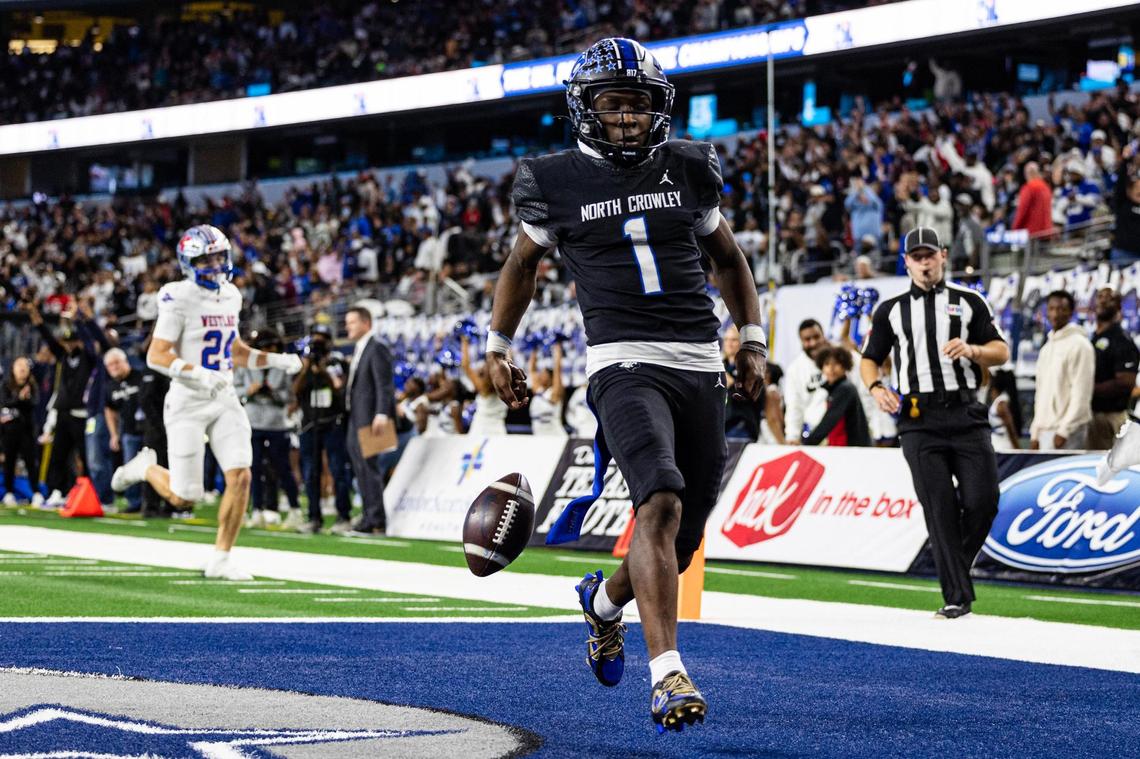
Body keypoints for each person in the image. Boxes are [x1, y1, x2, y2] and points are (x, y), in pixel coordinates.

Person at [487, 37, 765, 732]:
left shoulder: (690, 167)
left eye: (638, 104)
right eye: (612, 103)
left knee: (682, 536)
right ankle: (667, 673)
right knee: (660, 497)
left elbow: (728, 258)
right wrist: (498, 344)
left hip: (700, 361)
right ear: (585, 108)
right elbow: (522, 265)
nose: (626, 117)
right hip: (621, 360)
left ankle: (604, 604)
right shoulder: (552, 179)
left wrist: (752, 336)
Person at [110, 224, 302, 580]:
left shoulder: (231, 295)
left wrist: (275, 360)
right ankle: (145, 468)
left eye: (218, 256)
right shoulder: (177, 295)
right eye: (205, 258)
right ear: (188, 262)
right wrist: (199, 374)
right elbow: (157, 354)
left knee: (241, 474)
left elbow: (233, 351)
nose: (214, 264)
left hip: (224, 396)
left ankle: (222, 557)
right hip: (187, 400)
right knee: (185, 497)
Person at [861, 227, 1008, 619]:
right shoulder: (891, 310)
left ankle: (953, 564)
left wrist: (973, 349)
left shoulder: (969, 301)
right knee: (938, 506)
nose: (925, 262)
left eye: (931, 255)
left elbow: (1001, 351)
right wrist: (876, 386)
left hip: (965, 414)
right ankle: (957, 597)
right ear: (906, 262)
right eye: (917, 256)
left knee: (984, 500)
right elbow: (869, 357)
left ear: (944, 256)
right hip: (918, 419)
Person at [23, 301, 100, 507]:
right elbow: (48, 337)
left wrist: (80, 322)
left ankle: (89, 491)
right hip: (64, 413)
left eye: (73, 342)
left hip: (82, 414)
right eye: (67, 343)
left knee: (85, 456)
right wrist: (36, 317)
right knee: (58, 455)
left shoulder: (89, 358)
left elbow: (92, 343)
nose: (70, 345)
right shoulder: (63, 357)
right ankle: (58, 490)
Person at [234, 327, 301, 528]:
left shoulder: (281, 366)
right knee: (252, 468)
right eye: (265, 347)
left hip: (276, 424)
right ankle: (256, 510)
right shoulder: (246, 365)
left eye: (272, 347)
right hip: (252, 422)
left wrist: (273, 393)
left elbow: (289, 397)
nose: (269, 351)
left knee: (282, 468)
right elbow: (235, 390)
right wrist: (249, 390)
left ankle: (295, 509)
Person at [293, 323, 353, 534]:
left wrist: (325, 370)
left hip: (333, 422)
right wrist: (308, 367)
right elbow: (296, 391)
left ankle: (343, 516)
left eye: (322, 339)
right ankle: (314, 517)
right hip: (310, 424)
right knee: (310, 473)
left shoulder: (337, 361)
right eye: (315, 339)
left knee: (338, 470)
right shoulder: (304, 362)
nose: (319, 344)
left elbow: (340, 390)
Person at [344, 305, 395, 535]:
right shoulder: (360, 348)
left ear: (366, 323)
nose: (348, 327)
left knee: (369, 469)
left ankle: (376, 520)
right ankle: (368, 517)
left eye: (352, 322)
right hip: (356, 416)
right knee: (360, 469)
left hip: (371, 418)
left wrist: (382, 413)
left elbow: (384, 385)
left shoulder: (377, 347)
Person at [1029, 291, 1094, 451]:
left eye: (1061, 309)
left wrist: (1064, 431)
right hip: (1045, 430)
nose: (1055, 314)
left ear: (1071, 312)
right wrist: (1035, 432)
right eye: (1051, 309)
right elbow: (1041, 392)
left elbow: (1081, 392)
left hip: (1068, 432)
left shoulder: (1080, 345)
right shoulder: (1046, 348)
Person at [1088, 288, 1139, 449]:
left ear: (1118, 307)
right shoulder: (1094, 337)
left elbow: (1126, 382)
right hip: (1092, 415)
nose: (1103, 301)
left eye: (1109, 298)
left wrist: (1087, 389)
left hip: (1112, 417)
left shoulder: (1122, 339)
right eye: (1100, 297)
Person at [797, 345, 870, 447]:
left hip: (851, 449)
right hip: (842, 447)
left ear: (845, 366)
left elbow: (829, 420)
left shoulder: (845, 389)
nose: (831, 369)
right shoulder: (834, 388)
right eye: (827, 364)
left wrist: (807, 444)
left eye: (836, 364)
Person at [102, 348, 145, 513]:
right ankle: (134, 502)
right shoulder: (110, 386)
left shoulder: (140, 376)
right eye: (110, 365)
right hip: (129, 432)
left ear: (125, 361)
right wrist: (113, 434)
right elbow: (110, 411)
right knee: (131, 468)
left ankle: (156, 500)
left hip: (149, 430)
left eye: (116, 362)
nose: (114, 367)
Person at [0, 357, 41, 506]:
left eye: (25, 366)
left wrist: (22, 400)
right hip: (9, 432)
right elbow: (4, 402)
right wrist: (20, 398)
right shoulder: (6, 385)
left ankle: (36, 492)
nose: (22, 368)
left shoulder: (32, 385)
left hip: (27, 431)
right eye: (19, 365)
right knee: (9, 463)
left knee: (31, 462)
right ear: (13, 368)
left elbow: (35, 403)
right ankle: (9, 493)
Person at [784, 319, 827, 443]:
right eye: (807, 339)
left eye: (816, 337)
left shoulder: (841, 358)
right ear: (801, 341)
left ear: (823, 335)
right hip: (813, 435)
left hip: (842, 433)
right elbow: (794, 405)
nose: (813, 343)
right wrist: (792, 436)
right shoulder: (795, 369)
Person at [460, 334, 508, 436]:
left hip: (480, 429)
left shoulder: (482, 387)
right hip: (498, 429)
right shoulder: (506, 385)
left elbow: (465, 365)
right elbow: (507, 364)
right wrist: (505, 343)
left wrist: (465, 341)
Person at [527, 341, 567, 437]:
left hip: (555, 437)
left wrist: (557, 350)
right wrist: (534, 348)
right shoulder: (538, 390)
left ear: (551, 377)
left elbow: (557, 369)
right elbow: (532, 370)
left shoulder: (554, 393)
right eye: (541, 373)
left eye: (544, 374)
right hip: (539, 436)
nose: (540, 375)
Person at [1012, 161, 1054, 237]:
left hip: (1032, 233)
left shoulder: (1029, 188)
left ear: (1028, 174)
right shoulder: (1047, 188)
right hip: (1047, 232)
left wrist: (1015, 229)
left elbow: (1022, 211)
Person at [987, 369, 1021, 451]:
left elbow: (1010, 427)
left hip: (1004, 445)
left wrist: (1017, 448)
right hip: (996, 443)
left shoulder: (1001, 404)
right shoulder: (996, 402)